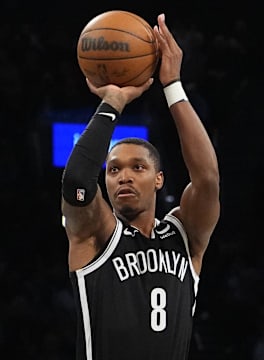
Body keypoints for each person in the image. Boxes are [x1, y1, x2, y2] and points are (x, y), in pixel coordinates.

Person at [61, 13, 220, 360]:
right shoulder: (97, 234)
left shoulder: (184, 236)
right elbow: (75, 183)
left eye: (138, 167)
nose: (124, 176)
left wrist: (173, 86)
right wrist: (113, 101)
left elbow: (207, 179)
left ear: (159, 179)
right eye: (114, 169)